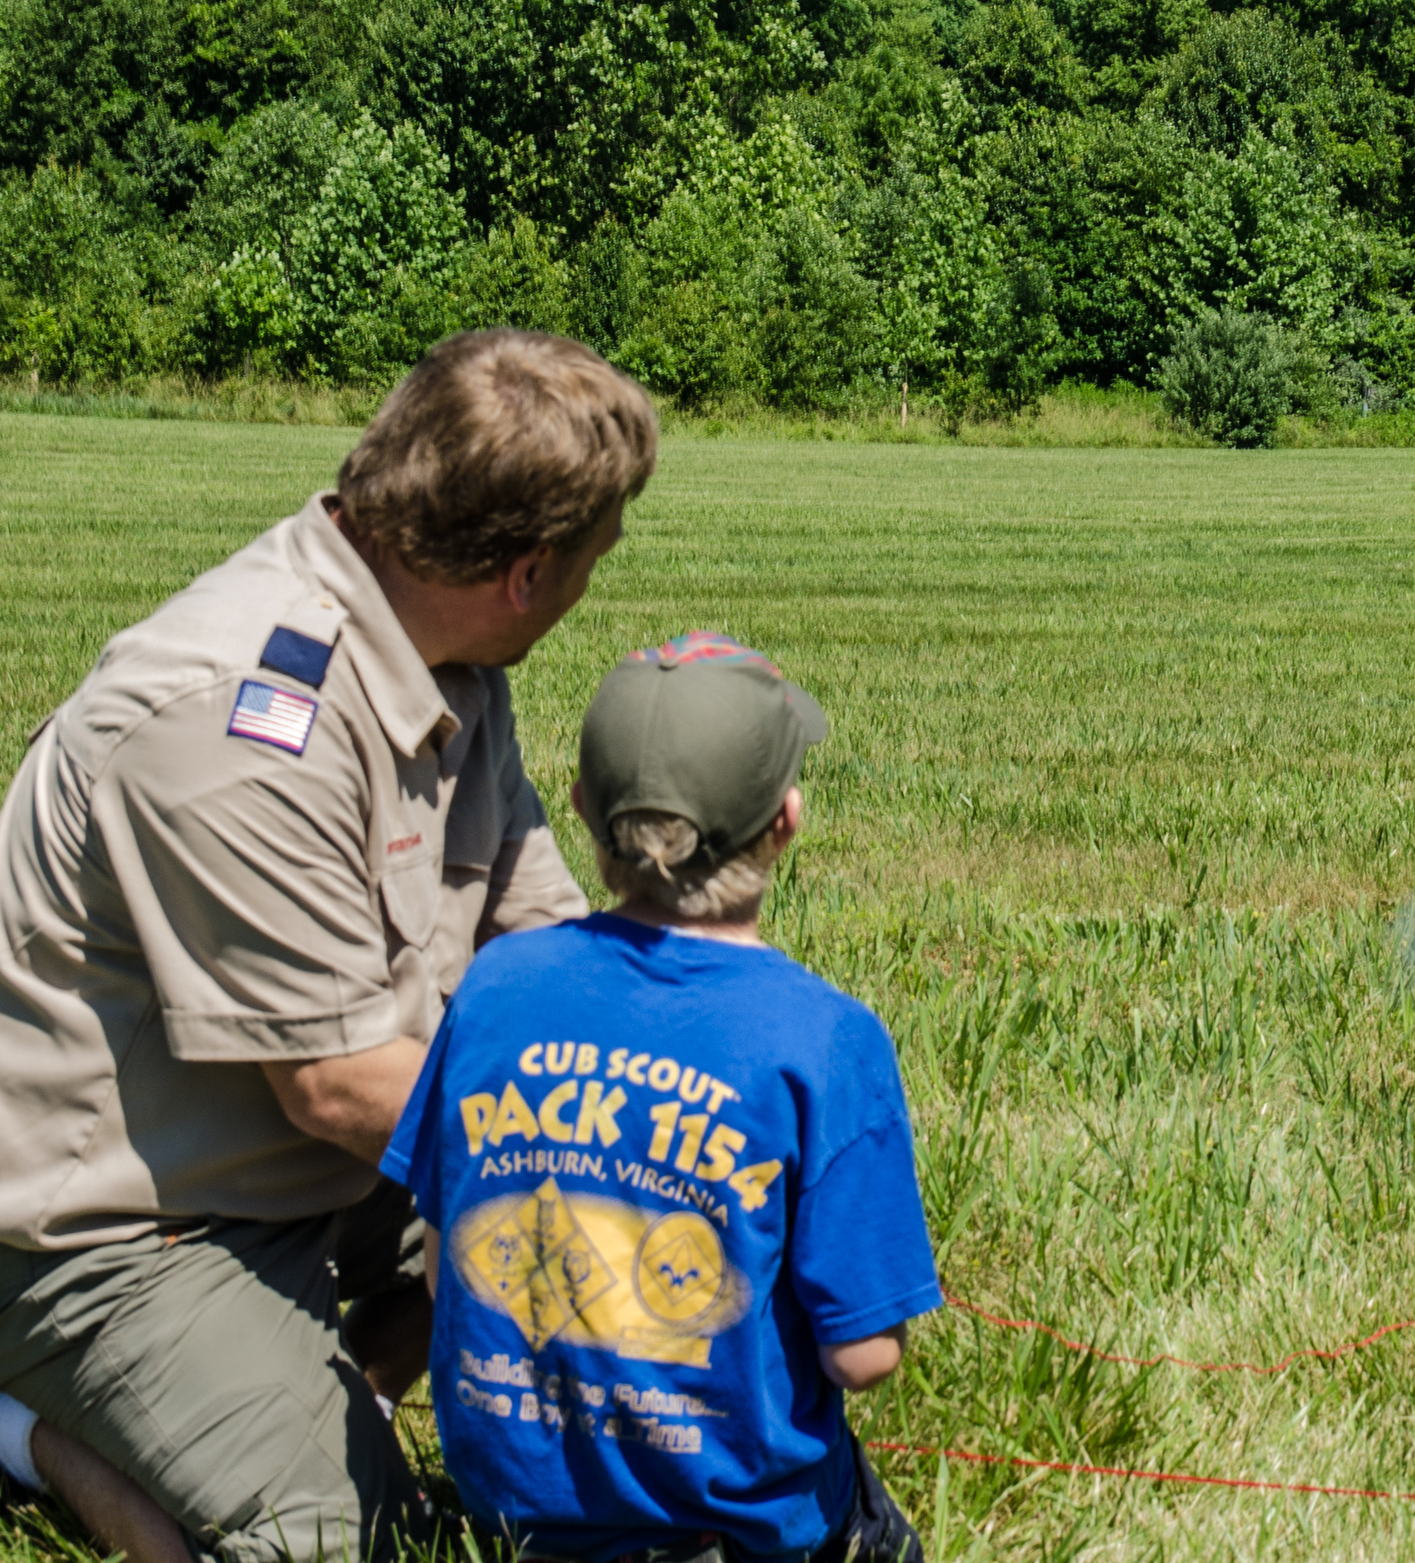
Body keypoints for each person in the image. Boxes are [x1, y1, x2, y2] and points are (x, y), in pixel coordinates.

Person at [0, 329, 658, 1563]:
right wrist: (618, 1157)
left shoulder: (448, 655)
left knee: (641, 1320)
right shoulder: (234, 723)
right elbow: (339, 1085)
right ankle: (33, 1435)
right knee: (336, 1544)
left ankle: (318, 1387)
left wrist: (691, 1105)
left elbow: (543, 944)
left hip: (325, 1172)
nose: (590, 587)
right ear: (526, 572)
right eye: (595, 559)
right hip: (111, 1229)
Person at [382, 633, 939, 1563]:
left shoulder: (494, 985)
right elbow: (863, 1356)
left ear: (582, 815)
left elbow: (447, 1276)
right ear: (787, 822)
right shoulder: (826, 1037)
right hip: (736, 1527)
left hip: (511, 1515)